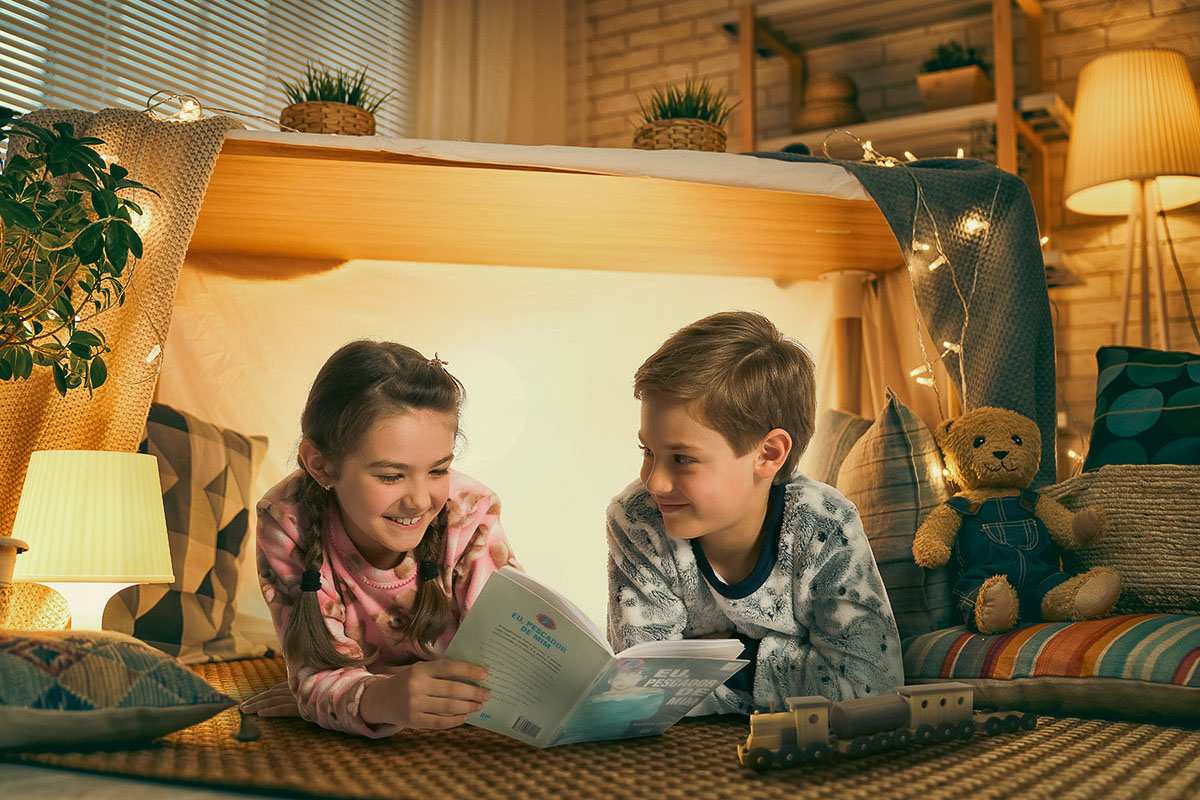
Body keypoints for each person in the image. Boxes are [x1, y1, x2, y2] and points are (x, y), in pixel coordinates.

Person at [606, 311, 903, 715]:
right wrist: (795, 659)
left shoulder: (825, 524)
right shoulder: (637, 521)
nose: (654, 482)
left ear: (768, 454)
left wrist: (708, 659)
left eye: (681, 458)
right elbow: (643, 690)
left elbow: (869, 688)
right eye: (648, 452)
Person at [240, 341, 520, 737]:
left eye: (439, 470)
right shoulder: (287, 520)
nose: (420, 500)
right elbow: (316, 673)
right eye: (390, 476)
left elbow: (510, 661)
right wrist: (366, 698)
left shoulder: (471, 513)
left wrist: (340, 694)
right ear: (320, 465)